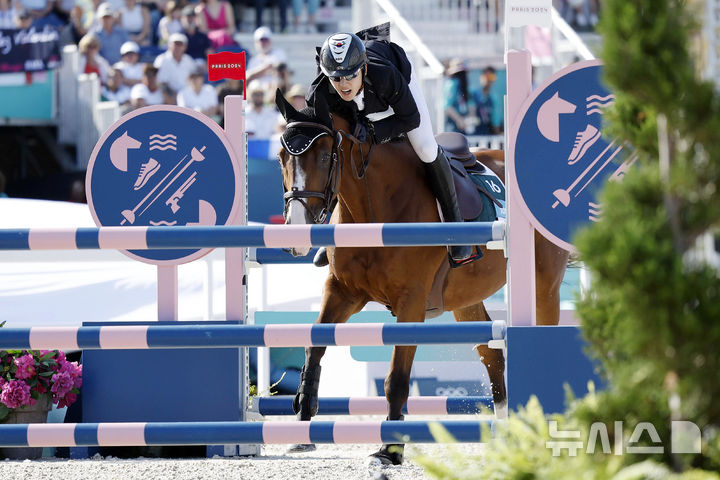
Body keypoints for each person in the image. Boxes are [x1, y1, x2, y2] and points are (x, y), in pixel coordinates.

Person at [307, 31, 474, 265]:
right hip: (366, 92)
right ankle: (333, 233)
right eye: (337, 79)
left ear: (362, 68)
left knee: (425, 147)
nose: (343, 84)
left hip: (397, 81)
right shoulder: (322, 88)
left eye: (350, 76)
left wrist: (375, 132)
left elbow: (410, 118)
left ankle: (455, 228)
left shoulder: (385, 76)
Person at [443, 58, 477, 135]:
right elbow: (447, 106)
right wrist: (459, 120)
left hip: (465, 123)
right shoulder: (451, 84)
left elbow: (471, 104)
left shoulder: (466, 86)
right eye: (459, 73)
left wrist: (470, 118)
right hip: (453, 124)